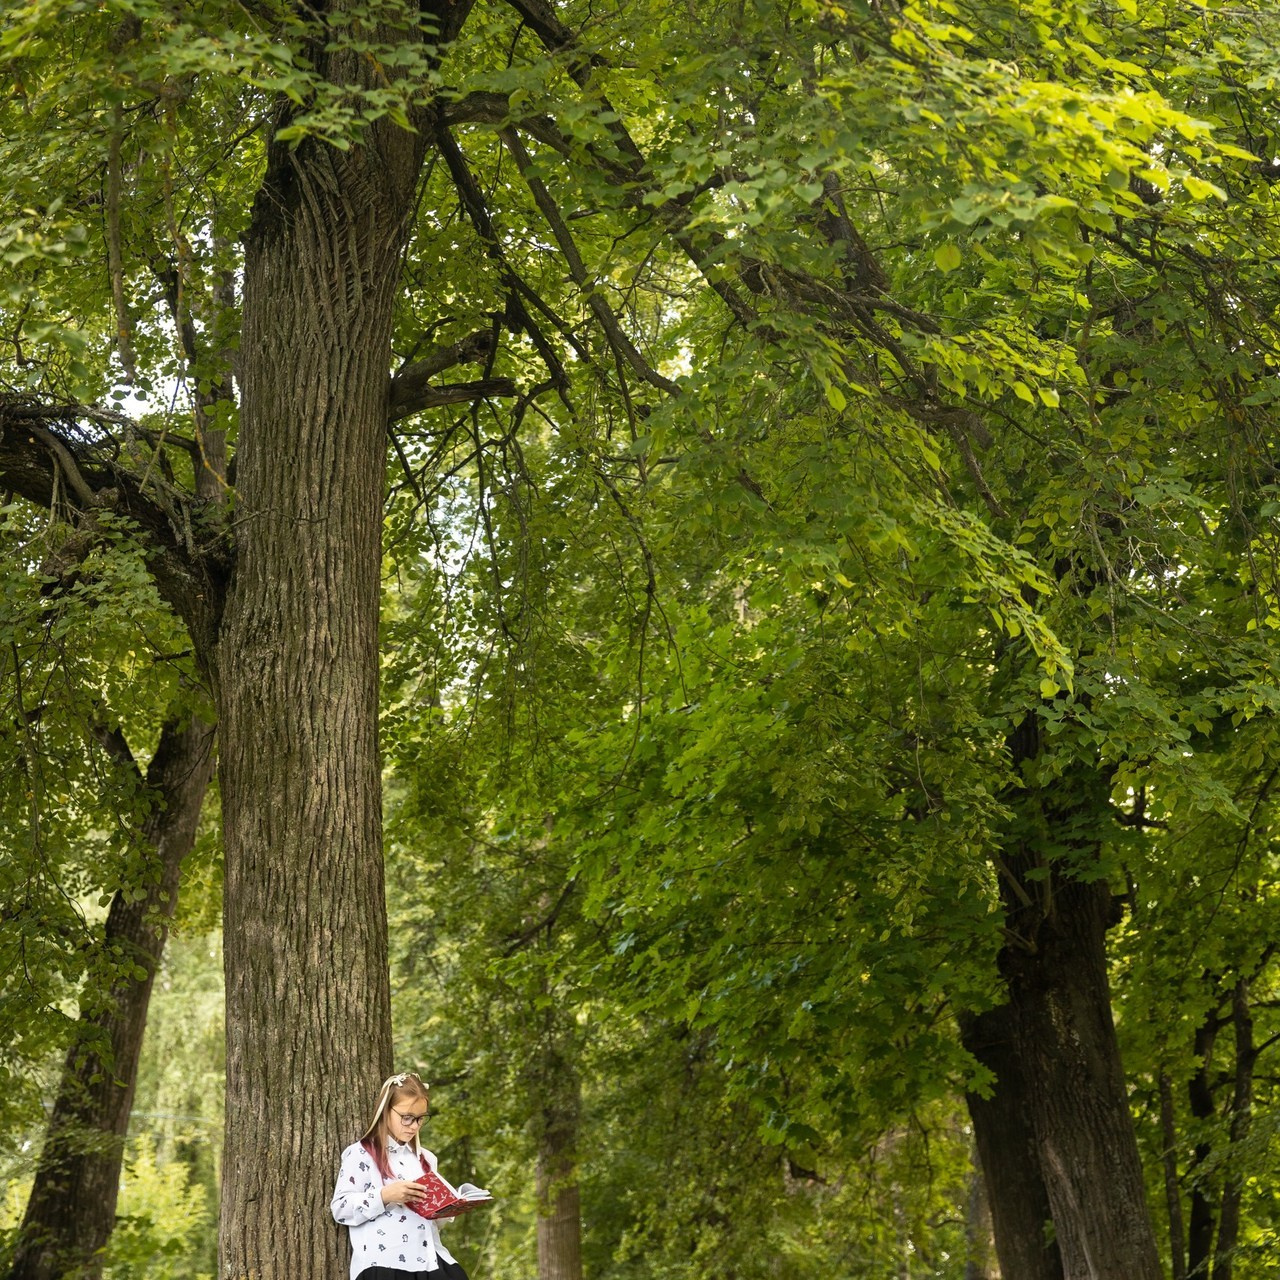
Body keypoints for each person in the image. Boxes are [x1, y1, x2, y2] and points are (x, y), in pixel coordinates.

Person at [332, 1071, 471, 1280]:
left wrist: (447, 1207)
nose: (414, 1126)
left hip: (431, 1260)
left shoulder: (426, 1159)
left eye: (420, 1119)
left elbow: (430, 1222)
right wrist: (385, 1195)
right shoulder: (362, 1153)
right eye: (407, 1118)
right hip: (386, 1263)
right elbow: (341, 1208)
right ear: (385, 1110)